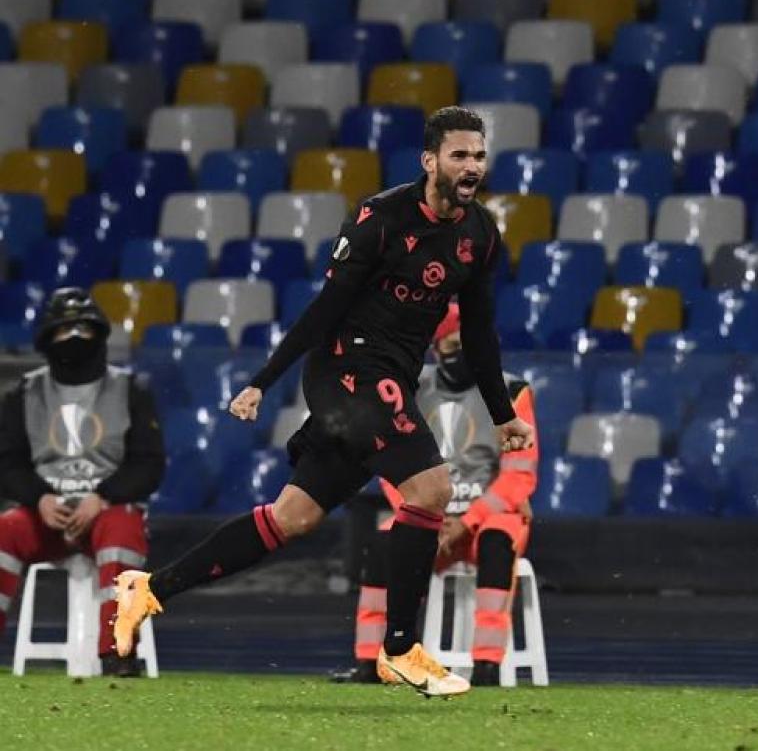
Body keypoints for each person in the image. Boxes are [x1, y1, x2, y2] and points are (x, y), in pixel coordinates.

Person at [111, 106, 535, 698]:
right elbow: (326, 308)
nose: (471, 166)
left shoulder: (479, 236)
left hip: (388, 381)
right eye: (459, 155)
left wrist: (502, 413)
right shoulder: (379, 219)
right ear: (430, 160)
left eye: (479, 156)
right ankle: (400, 649)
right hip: (347, 371)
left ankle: (149, 589)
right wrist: (265, 379)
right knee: (432, 489)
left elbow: (483, 335)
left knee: (294, 517)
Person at [333, 303, 539, 687]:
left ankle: (488, 666)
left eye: (468, 343)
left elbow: (518, 477)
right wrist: (424, 514)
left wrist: (466, 522)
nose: (459, 352)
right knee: (382, 543)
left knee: (497, 540)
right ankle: (369, 663)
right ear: (434, 347)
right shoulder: (410, 388)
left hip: (487, 518)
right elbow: (392, 467)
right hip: (426, 509)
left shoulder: (511, 391)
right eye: (450, 344)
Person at [0, 288, 165, 677]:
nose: (74, 338)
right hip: (45, 516)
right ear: (47, 339)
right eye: (64, 330)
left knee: (123, 531)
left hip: (109, 512)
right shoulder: (22, 394)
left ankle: (119, 653)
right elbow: (7, 464)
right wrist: (39, 497)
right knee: (4, 531)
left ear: (100, 333)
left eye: (82, 328)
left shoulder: (131, 390)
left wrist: (103, 497)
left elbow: (149, 465)